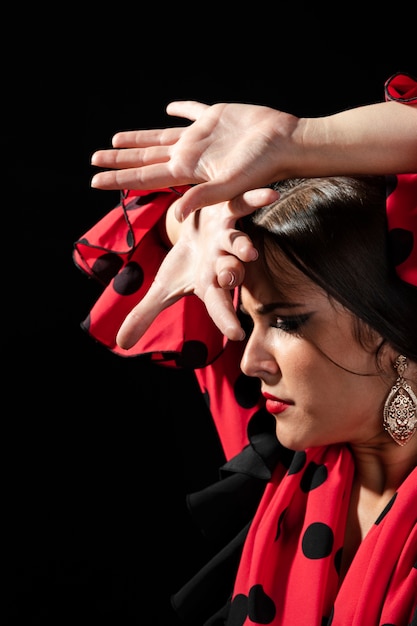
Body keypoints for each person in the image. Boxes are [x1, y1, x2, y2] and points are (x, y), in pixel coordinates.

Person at [75, 173, 417, 625]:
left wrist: (299, 137)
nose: (249, 361)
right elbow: (145, 224)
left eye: (287, 322)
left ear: (393, 330)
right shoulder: (273, 461)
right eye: (250, 322)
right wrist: (208, 224)